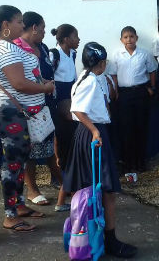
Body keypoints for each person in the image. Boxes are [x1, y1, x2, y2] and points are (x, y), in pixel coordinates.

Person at [62, 42, 138, 258]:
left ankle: (90, 238)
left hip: (88, 133)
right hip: (93, 135)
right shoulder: (91, 82)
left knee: (90, 190)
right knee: (107, 191)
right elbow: (77, 109)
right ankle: (109, 240)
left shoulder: (86, 78)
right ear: (102, 63)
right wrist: (95, 130)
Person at [0, 5, 55, 232]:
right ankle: (10, 215)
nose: (22, 26)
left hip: (14, 113)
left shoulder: (5, 46)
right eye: (18, 22)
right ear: (6, 25)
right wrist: (44, 88)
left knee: (18, 163)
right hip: (10, 113)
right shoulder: (4, 48)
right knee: (11, 165)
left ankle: (19, 205)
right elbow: (19, 84)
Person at [12, 12, 63, 208]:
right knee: (30, 150)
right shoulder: (16, 48)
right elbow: (20, 80)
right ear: (34, 28)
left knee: (48, 143)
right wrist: (43, 87)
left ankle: (62, 183)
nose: (44, 32)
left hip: (45, 104)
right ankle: (32, 189)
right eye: (42, 29)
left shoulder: (41, 47)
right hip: (27, 106)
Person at [107, 26, 157, 173]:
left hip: (141, 93)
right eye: (126, 37)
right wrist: (115, 92)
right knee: (126, 129)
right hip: (124, 95)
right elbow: (113, 75)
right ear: (121, 40)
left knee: (141, 127)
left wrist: (152, 88)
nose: (129, 40)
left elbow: (152, 71)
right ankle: (128, 163)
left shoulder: (144, 54)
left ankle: (141, 162)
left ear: (136, 38)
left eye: (131, 36)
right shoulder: (117, 55)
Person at [52, 24, 80, 102]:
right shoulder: (54, 54)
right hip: (60, 94)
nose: (79, 39)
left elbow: (72, 73)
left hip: (71, 91)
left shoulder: (73, 53)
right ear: (66, 39)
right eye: (75, 36)